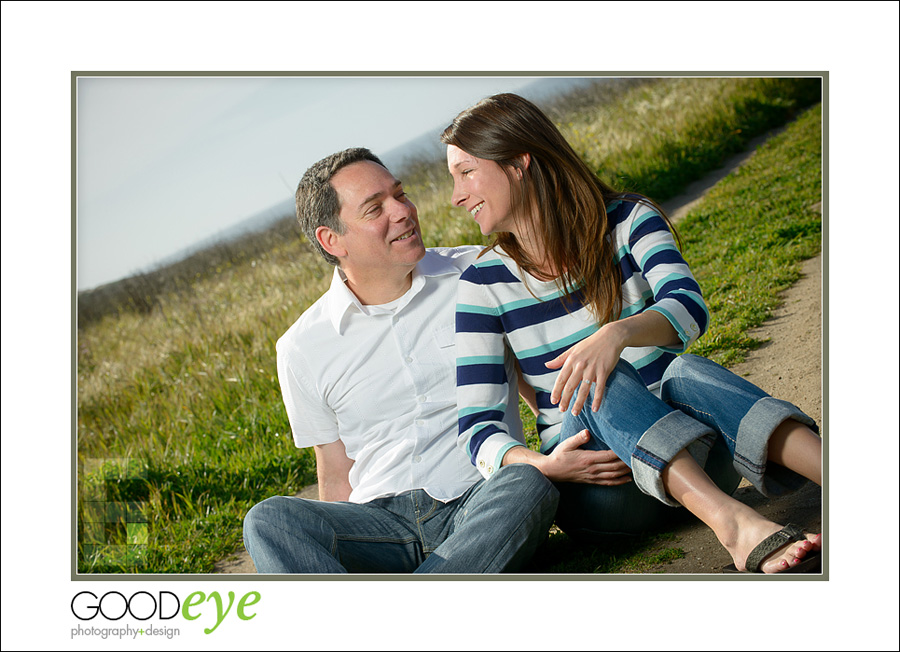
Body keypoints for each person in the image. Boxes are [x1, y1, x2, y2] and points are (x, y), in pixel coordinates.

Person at [443, 93, 823, 573]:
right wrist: (545, 466)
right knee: (598, 381)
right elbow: (476, 430)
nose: (456, 195)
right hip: (602, 492)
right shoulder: (482, 285)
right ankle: (733, 526)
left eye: (465, 172)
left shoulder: (627, 219)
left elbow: (688, 309)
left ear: (519, 163)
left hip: (703, 459)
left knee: (682, 371)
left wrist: (616, 333)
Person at [242, 147, 560, 573]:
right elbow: (335, 470)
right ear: (331, 240)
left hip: (480, 500)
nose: (403, 211)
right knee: (269, 520)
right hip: (380, 527)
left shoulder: (480, 273)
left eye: (400, 194)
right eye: (376, 208)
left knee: (529, 482)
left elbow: (540, 384)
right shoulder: (301, 347)